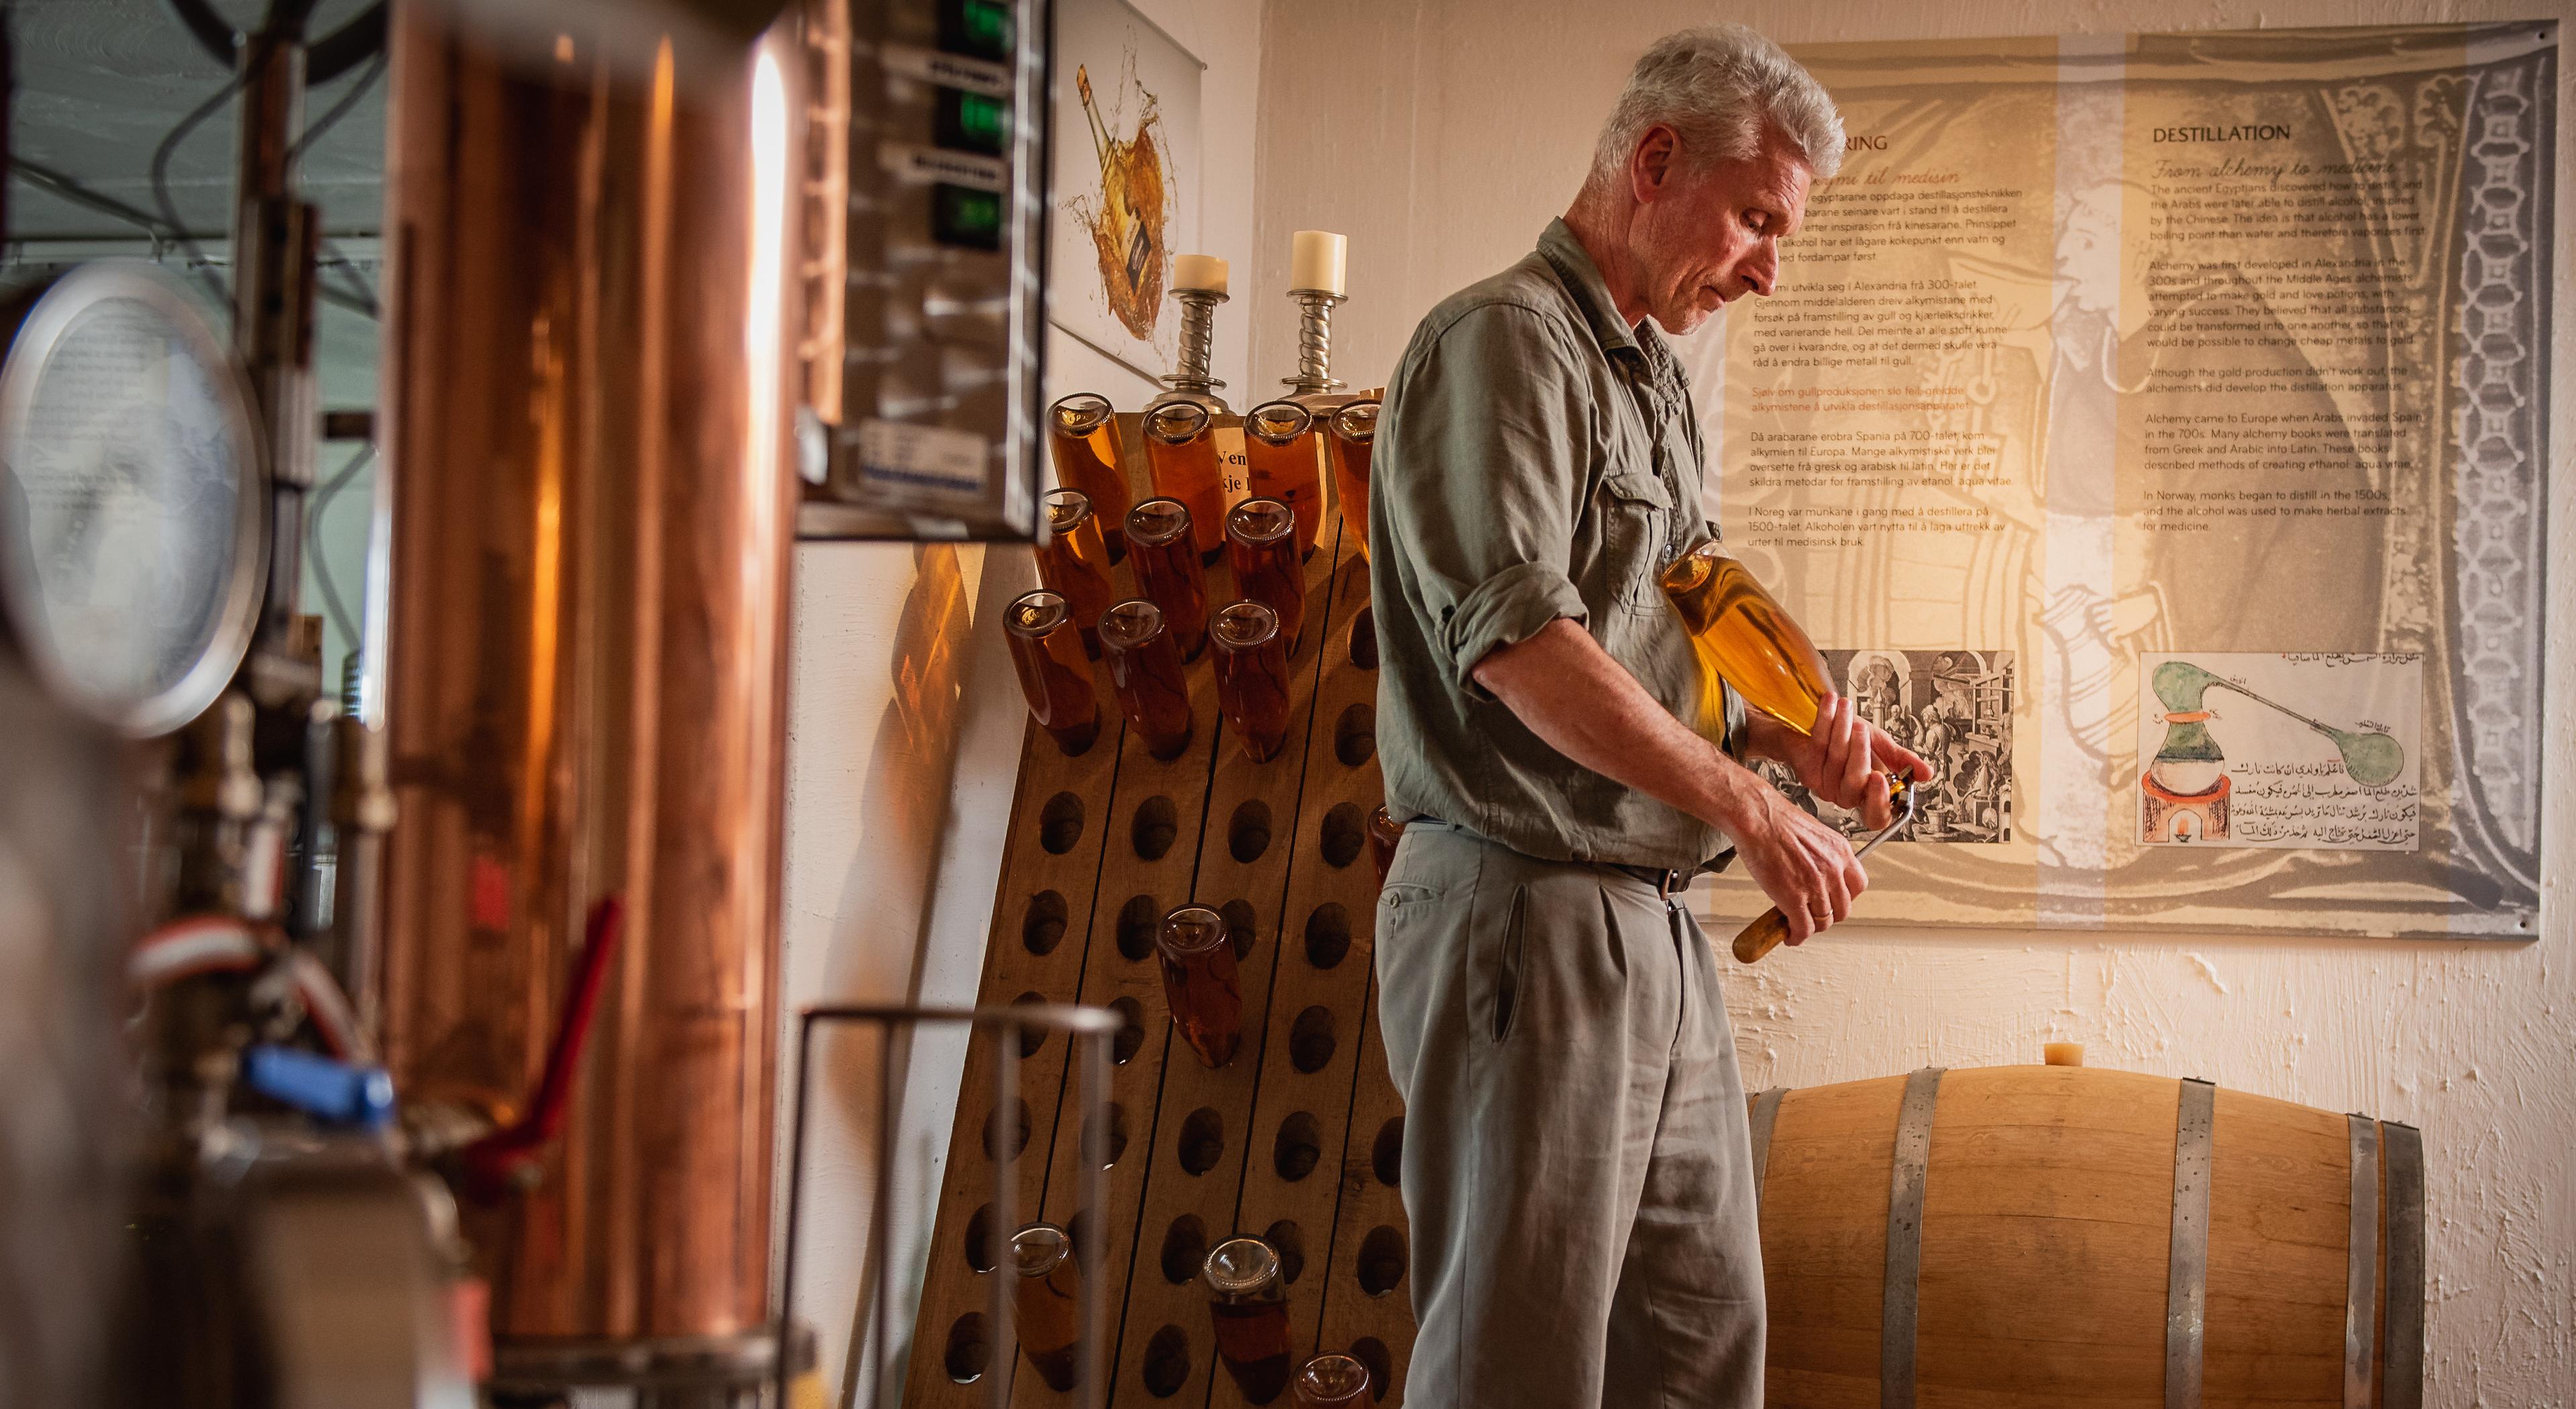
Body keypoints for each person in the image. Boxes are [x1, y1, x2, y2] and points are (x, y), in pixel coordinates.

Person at [1368, 26, 1930, 1408]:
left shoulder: (1652, 383)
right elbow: (1523, 651)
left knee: (1697, 1356)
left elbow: (1681, 625)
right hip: (1525, 909)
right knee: (1518, 1373)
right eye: (1754, 219)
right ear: (1655, 160)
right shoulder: (1504, 344)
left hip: (1651, 928)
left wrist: (1797, 741)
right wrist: (1751, 807)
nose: (1766, 267)